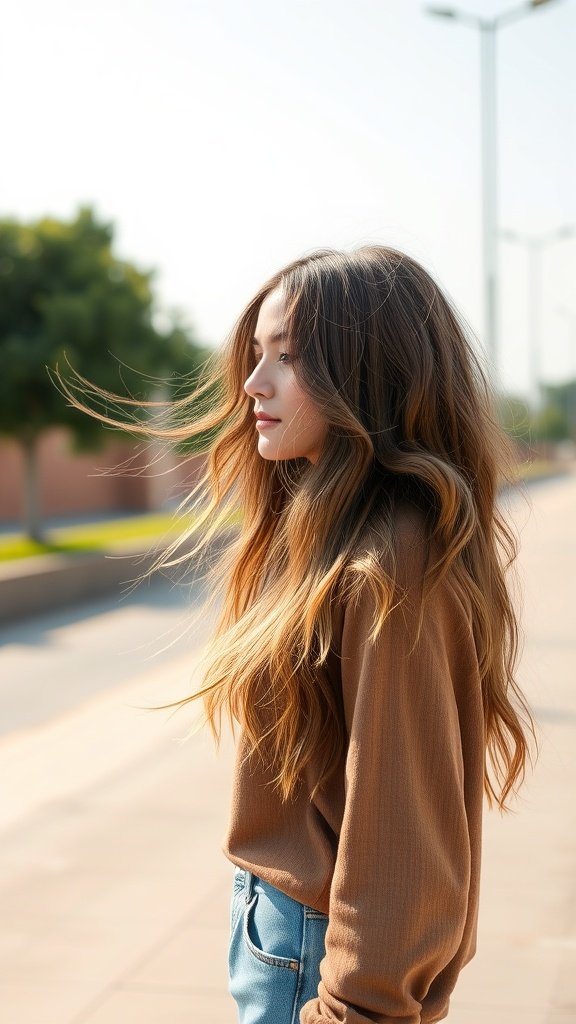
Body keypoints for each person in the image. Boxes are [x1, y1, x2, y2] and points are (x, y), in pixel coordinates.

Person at [57, 245, 534, 1024]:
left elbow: (401, 834)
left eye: (290, 357)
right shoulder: (331, 536)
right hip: (280, 930)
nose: (252, 383)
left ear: (371, 375)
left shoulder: (391, 559)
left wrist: (352, 1009)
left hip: (316, 965)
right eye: (256, 355)